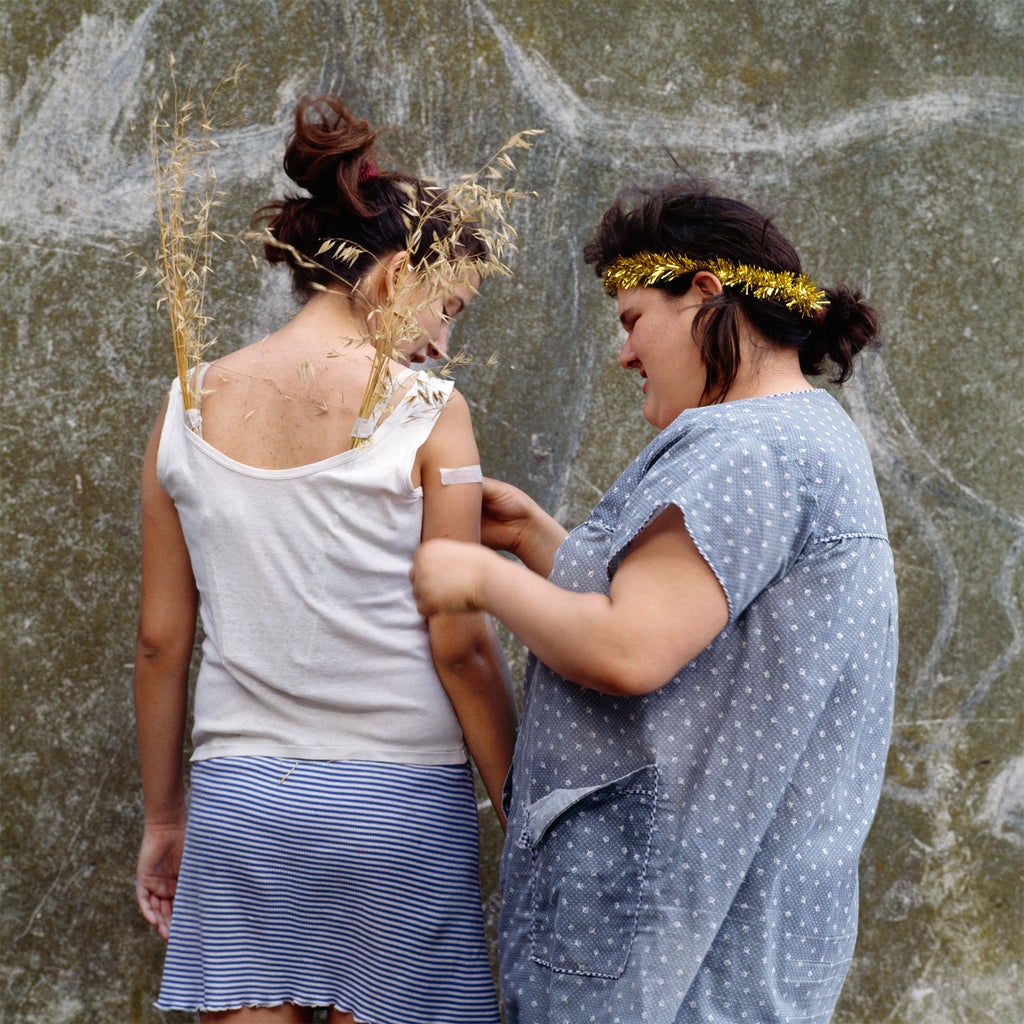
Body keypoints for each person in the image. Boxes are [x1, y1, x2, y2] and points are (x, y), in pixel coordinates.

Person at [410, 180, 898, 1023]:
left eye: (633, 320)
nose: (625, 354)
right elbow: (700, 622)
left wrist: (480, 579)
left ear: (705, 294)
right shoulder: (808, 436)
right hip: (728, 950)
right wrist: (536, 539)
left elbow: (630, 648)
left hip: (673, 967)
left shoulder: (744, 448)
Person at [134, 94, 516, 1024]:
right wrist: (521, 802)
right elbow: (460, 642)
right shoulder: (429, 412)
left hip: (241, 803)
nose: (441, 342)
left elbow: (159, 642)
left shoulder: (188, 404)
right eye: (447, 308)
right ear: (394, 276)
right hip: (399, 807)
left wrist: (165, 818)